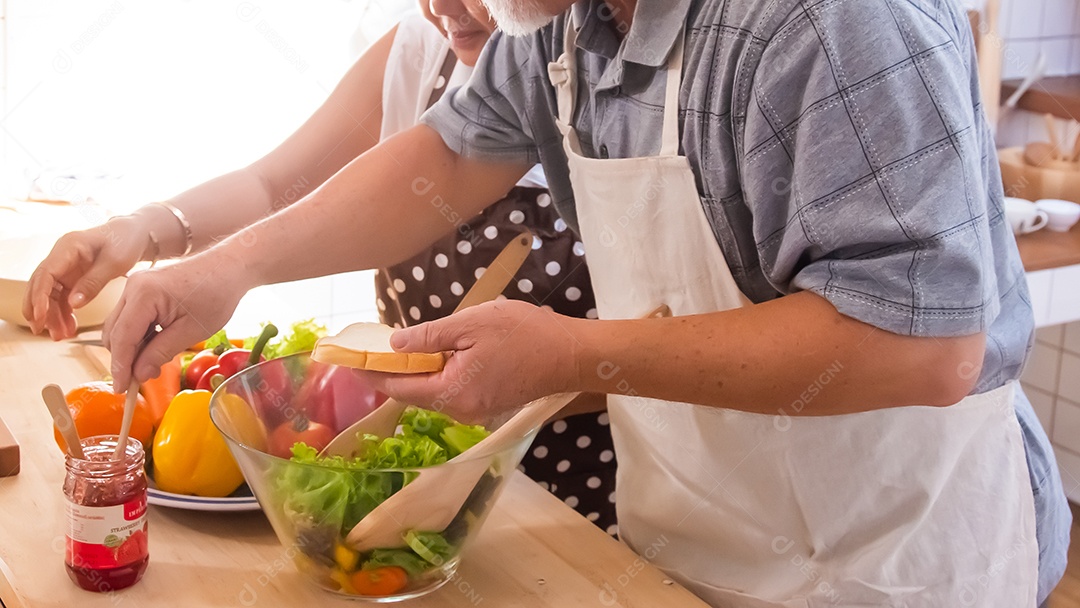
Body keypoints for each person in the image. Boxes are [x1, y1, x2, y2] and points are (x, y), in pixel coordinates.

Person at [27, 0, 1071, 606]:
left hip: (889, 566)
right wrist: (230, 265)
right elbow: (444, 152)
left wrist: (572, 354)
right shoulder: (564, 21)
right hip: (689, 548)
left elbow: (919, 346)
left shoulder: (835, 24)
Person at [22, 0, 617, 532]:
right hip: (416, 456)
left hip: (586, 473)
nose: (442, 7)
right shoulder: (431, 54)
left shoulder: (600, 58)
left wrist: (540, 378)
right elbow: (279, 182)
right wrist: (152, 229)